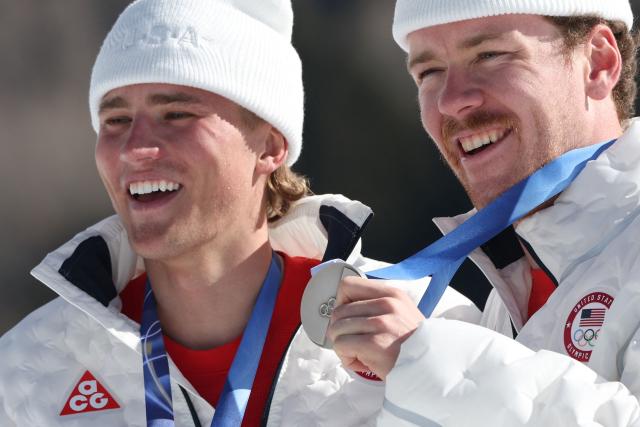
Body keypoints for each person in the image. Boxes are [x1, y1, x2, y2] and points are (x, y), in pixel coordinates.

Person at [0, 0, 478, 426]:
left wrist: (429, 375)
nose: (136, 148)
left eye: (177, 114)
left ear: (270, 145)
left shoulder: (426, 323)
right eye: (116, 120)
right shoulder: (28, 366)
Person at [326, 0, 640, 425]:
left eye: (490, 55)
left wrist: (428, 360)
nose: (453, 101)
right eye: (429, 73)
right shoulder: (514, 284)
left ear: (598, 64)